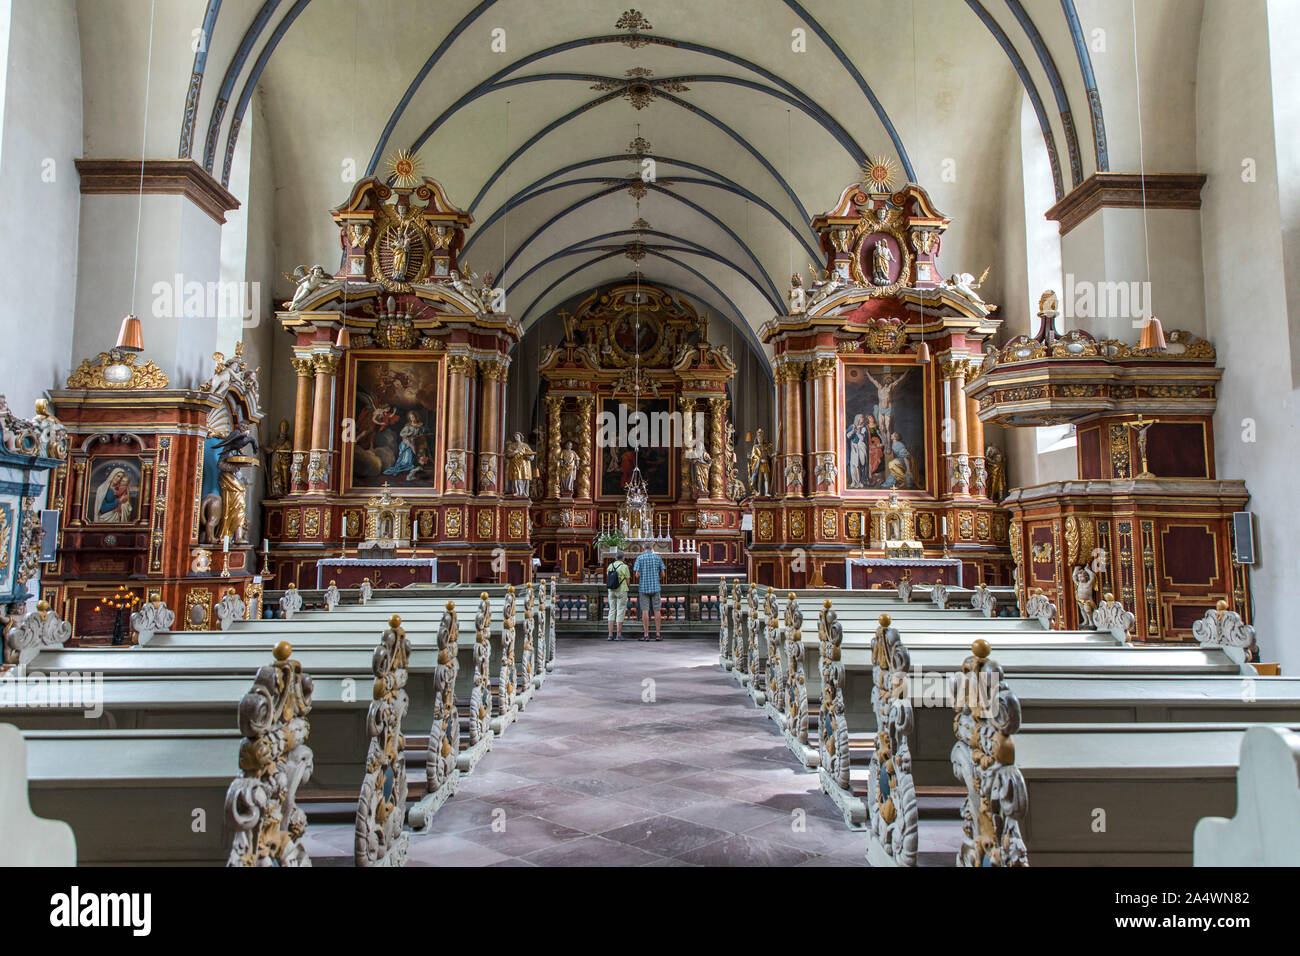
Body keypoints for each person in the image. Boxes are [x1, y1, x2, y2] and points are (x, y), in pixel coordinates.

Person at [632, 542, 666, 642]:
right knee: (657, 610)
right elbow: (663, 574)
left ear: (643, 549)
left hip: (643, 588)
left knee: (645, 611)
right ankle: (658, 634)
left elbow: (637, 575)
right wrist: (656, 577)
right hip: (655, 587)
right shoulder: (657, 558)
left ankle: (646, 635)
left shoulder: (640, 558)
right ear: (651, 548)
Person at [605, 549, 631, 641]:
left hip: (611, 590)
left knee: (612, 610)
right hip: (621, 590)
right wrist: (628, 586)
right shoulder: (624, 566)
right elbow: (628, 580)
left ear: (615, 558)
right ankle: (618, 635)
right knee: (620, 611)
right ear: (623, 558)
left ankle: (610, 635)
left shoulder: (610, 566)